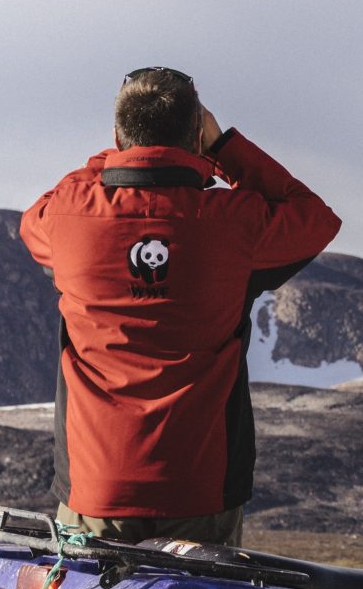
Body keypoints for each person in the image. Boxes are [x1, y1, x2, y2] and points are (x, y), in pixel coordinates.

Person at [20, 67, 340, 546]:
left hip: (95, 489)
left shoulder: (70, 213)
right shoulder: (234, 223)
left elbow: (34, 218)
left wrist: (117, 159)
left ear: (116, 135)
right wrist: (226, 147)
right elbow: (315, 217)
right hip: (200, 493)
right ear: (197, 133)